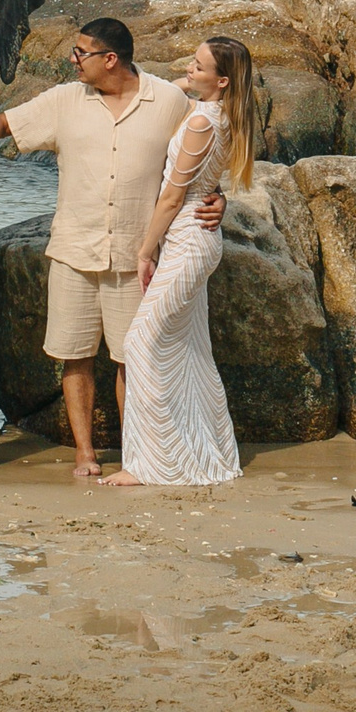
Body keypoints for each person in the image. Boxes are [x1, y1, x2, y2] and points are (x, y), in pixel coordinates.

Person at [0, 17, 221, 476]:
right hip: (74, 252)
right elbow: (4, 124)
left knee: (133, 361)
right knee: (74, 357)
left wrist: (218, 200)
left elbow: (201, 158)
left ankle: (136, 455)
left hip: (136, 258)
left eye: (81, 53)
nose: (73, 60)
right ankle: (85, 454)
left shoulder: (170, 102)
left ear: (110, 59)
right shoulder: (64, 100)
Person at [103, 36, 253, 487]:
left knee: (141, 345)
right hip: (196, 238)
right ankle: (204, 454)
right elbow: (177, 89)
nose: (188, 68)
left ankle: (148, 464)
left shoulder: (202, 123)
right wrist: (188, 81)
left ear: (222, 81)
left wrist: (145, 250)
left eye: (198, 65)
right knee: (191, 353)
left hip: (187, 240)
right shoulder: (223, 114)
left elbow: (171, 198)